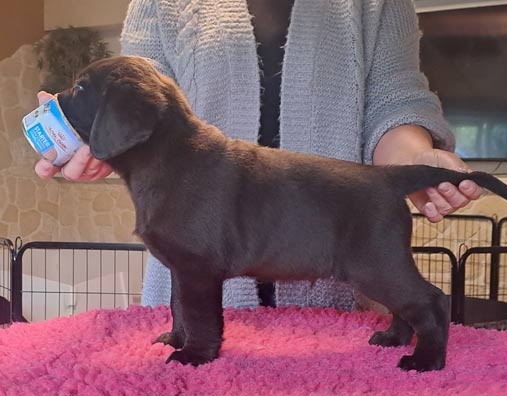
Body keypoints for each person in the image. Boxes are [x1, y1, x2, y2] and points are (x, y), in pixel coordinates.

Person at [35, 0, 483, 310]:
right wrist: (95, 144)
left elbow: (394, 100)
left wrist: (416, 157)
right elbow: (136, 105)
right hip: (196, 275)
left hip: (332, 291)